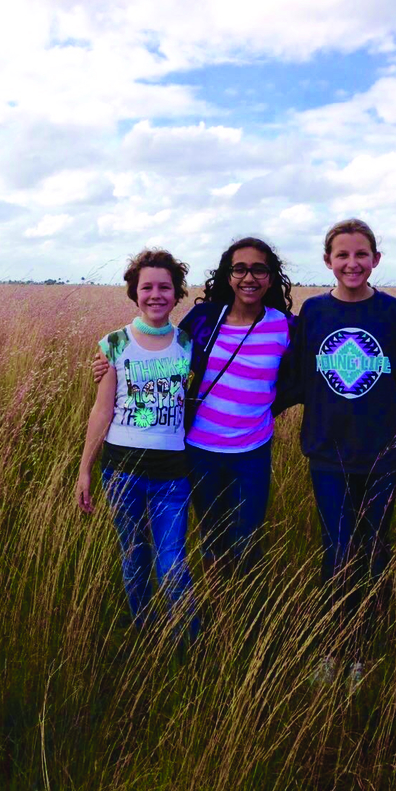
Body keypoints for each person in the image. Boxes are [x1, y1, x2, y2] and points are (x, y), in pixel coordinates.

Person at [93, 237, 295, 577]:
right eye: (240, 269)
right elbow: (163, 348)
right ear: (228, 276)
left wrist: (267, 409)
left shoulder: (285, 326)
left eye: (259, 269)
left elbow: (301, 376)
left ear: (271, 278)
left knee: (246, 542)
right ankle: (218, 610)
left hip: (253, 452)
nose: (249, 277)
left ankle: (240, 608)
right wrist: (108, 364)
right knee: (212, 540)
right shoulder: (204, 318)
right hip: (200, 450)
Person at [280, 218, 396, 682]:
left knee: (375, 550)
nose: (352, 263)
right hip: (328, 454)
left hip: (384, 454)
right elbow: (293, 379)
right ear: (328, 262)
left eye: (362, 255)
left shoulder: (393, 312)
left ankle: (364, 648)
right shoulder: (314, 313)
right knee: (337, 549)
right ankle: (332, 647)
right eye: (342, 255)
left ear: (376, 260)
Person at [76, 249, 197, 632]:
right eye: (147, 287)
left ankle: (188, 644)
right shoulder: (113, 343)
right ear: (134, 293)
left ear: (177, 293)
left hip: (172, 472)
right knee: (134, 555)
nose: (156, 295)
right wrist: (85, 470)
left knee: (173, 559)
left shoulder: (189, 343)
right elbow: (102, 410)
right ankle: (144, 632)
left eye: (165, 287)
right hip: (122, 470)